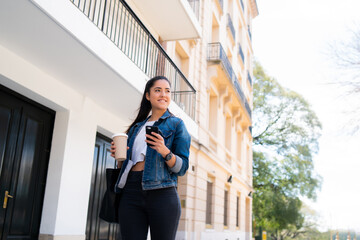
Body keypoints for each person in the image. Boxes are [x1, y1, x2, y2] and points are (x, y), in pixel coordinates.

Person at [110, 75, 191, 240]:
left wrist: (164, 151)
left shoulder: (176, 124)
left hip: (162, 193)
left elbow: (182, 168)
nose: (163, 94)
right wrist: (119, 157)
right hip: (131, 192)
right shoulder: (136, 128)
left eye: (167, 91)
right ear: (148, 95)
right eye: (158, 90)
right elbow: (124, 167)